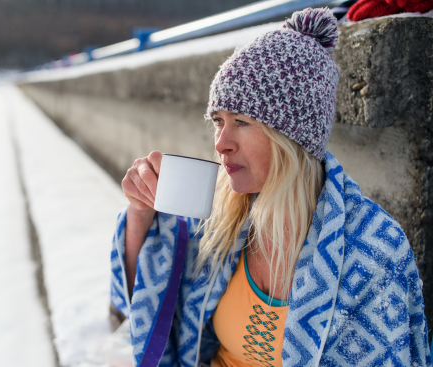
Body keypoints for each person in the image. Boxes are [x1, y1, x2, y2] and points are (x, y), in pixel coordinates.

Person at [109, 7, 431, 367]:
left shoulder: (374, 250)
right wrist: (141, 213)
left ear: (292, 137)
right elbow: (143, 306)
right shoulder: (219, 216)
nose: (221, 143)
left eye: (241, 122)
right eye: (219, 121)